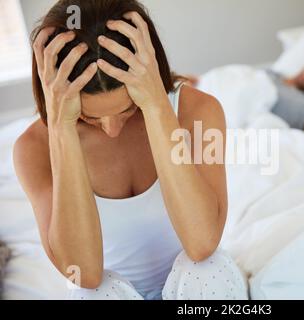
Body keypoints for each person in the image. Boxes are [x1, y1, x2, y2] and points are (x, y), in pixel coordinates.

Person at [13, 0, 248, 300]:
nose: (112, 129)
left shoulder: (199, 111)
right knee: (93, 292)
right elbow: (84, 273)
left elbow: (202, 244)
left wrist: (155, 106)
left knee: (205, 268)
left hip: (197, 290)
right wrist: (62, 128)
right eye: (90, 117)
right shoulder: (32, 148)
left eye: (127, 109)